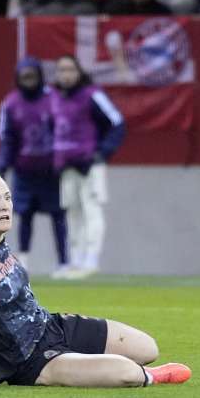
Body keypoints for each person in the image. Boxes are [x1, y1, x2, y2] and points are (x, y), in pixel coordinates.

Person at [0, 173, 191, 389]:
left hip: (50, 326)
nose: (4, 205)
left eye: (7, 197)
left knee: (146, 348)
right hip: (29, 362)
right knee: (130, 373)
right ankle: (150, 377)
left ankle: (110, 365)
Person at [49, 55, 125, 280]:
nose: (66, 74)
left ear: (79, 72)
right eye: (61, 70)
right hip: (66, 166)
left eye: (70, 69)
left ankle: (91, 259)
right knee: (72, 213)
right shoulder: (55, 98)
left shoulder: (93, 95)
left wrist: (102, 153)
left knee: (92, 210)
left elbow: (117, 122)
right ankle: (75, 260)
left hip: (89, 166)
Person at [0, 59, 68, 269]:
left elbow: (63, 131)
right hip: (24, 171)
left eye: (32, 76)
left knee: (58, 215)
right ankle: (24, 260)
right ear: (18, 78)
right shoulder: (10, 103)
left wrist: (62, 161)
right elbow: (7, 139)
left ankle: (64, 262)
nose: (29, 81)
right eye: (24, 77)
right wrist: (1, 167)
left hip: (51, 172)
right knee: (24, 215)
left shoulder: (53, 99)